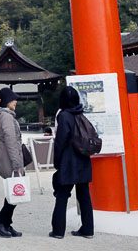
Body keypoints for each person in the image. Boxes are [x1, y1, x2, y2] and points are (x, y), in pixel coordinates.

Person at [50, 86, 93, 239]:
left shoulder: (64, 116)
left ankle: (58, 231)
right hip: (83, 159)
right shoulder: (81, 114)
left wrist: (57, 162)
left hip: (68, 161)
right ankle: (88, 229)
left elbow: (60, 141)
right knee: (84, 195)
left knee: (62, 195)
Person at [0, 87, 25, 238]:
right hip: (10, 157)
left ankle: (6, 223)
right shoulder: (6, 116)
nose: (15, 101)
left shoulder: (5, 114)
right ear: (6, 101)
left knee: (14, 193)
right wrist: (17, 164)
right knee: (15, 191)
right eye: (13, 99)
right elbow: (11, 140)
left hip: (8, 155)